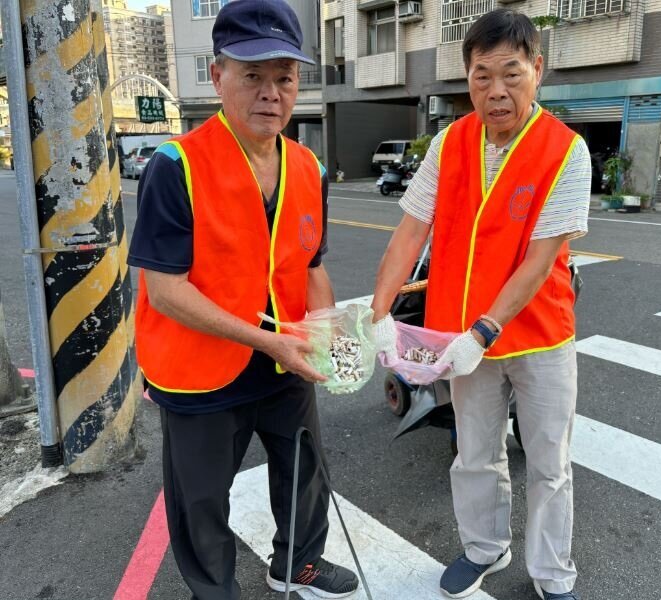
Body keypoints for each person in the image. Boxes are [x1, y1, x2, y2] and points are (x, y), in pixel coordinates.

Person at [128, 1, 358, 598]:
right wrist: (267, 338)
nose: (270, 93)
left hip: (283, 362)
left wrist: (333, 339)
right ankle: (216, 591)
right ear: (217, 75)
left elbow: (308, 265)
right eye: (252, 74)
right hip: (198, 372)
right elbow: (166, 291)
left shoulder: (308, 167)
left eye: (284, 77)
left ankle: (297, 563)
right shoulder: (175, 166)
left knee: (305, 474)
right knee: (201, 499)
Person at [371, 9, 590, 600]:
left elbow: (540, 259)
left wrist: (483, 331)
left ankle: (551, 574)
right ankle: (485, 550)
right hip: (460, 339)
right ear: (466, 77)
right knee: (474, 455)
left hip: (537, 336)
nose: (496, 91)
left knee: (548, 462)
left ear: (537, 71)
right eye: (481, 75)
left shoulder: (566, 151)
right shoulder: (449, 143)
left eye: (511, 74)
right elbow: (411, 232)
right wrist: (378, 315)